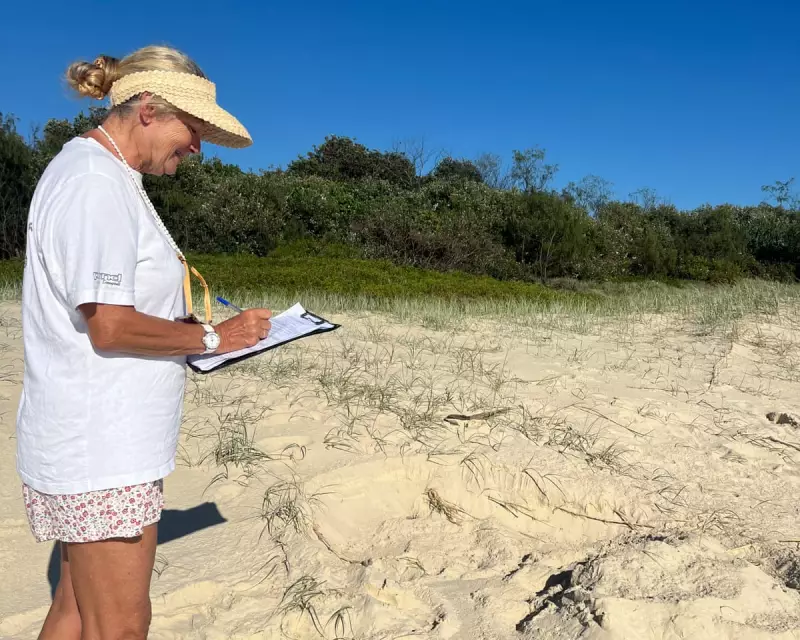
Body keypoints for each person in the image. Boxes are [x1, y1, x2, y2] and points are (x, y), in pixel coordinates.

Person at [16, 45, 272, 640]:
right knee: (122, 626)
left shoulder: (105, 176)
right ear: (150, 109)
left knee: (76, 612)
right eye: (194, 129)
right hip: (101, 448)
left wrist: (190, 331)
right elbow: (109, 323)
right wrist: (212, 336)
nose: (198, 147)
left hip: (96, 441)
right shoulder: (93, 182)